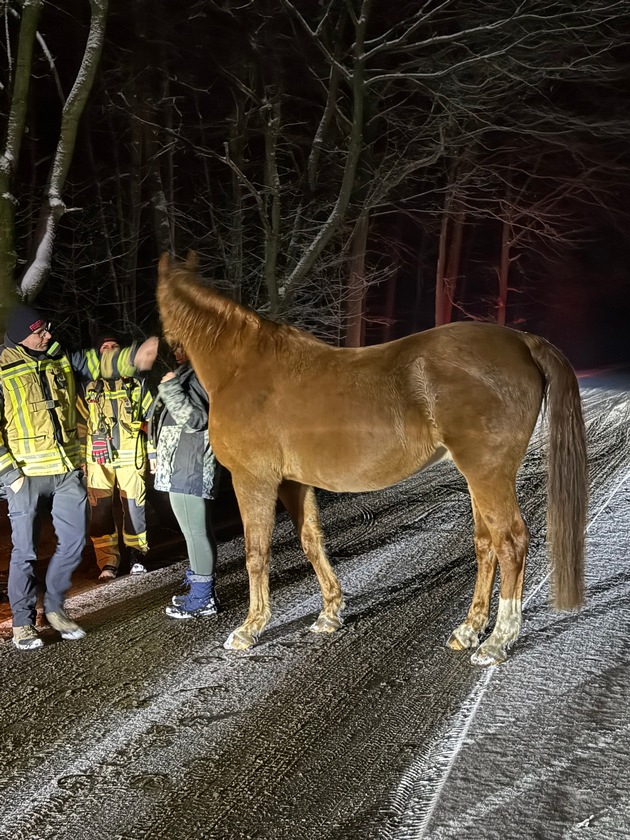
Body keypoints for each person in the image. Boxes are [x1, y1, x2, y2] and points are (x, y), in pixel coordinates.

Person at [0, 304, 158, 650]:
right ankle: (25, 622)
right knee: (24, 551)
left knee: (73, 544)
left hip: (67, 470)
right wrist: (9, 472)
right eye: (40, 331)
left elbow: (96, 362)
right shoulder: (3, 367)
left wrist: (133, 358)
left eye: (48, 329)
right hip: (25, 475)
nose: (48, 335)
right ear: (23, 333)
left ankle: (55, 608)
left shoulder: (59, 357)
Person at [149, 347, 220, 618]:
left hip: (191, 466)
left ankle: (203, 599)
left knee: (196, 533)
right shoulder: (190, 371)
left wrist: (170, 388)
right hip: (180, 466)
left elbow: (195, 420)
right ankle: (202, 591)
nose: (177, 350)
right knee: (196, 532)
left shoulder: (204, 372)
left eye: (183, 343)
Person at [79, 332, 155, 580]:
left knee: (134, 509)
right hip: (98, 461)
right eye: (105, 347)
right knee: (99, 512)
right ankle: (108, 563)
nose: (110, 350)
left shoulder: (137, 384)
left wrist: (153, 454)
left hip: (131, 457)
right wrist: (81, 459)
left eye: (114, 346)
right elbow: (79, 424)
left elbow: (151, 419)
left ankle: (137, 555)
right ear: (99, 353)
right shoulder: (87, 387)